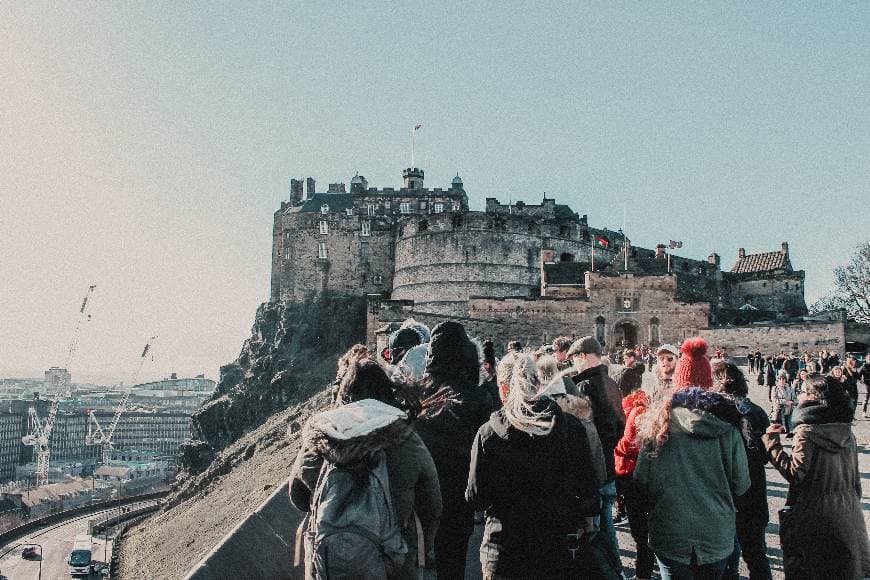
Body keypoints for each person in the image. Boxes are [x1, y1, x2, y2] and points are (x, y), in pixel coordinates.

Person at [290, 359, 442, 579]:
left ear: (344, 394)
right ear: (388, 393)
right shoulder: (406, 438)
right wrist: (416, 551)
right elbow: (432, 506)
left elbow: (298, 498)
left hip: (329, 564)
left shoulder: (320, 437)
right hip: (391, 564)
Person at [466, 355, 601, 579]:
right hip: (557, 549)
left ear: (502, 389)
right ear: (539, 384)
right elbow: (590, 495)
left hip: (504, 549)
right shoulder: (571, 428)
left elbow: (476, 497)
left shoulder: (488, 434)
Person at [635, 337, 750, 580]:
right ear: (708, 383)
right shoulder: (729, 429)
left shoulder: (657, 426)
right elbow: (741, 485)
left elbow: (641, 480)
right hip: (715, 532)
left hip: (670, 531)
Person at [763, 375, 870, 578]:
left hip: (814, 516)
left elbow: (795, 474)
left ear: (814, 397)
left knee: (813, 570)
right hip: (848, 514)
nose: (799, 396)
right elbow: (856, 482)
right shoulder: (846, 431)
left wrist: (772, 443)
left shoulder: (806, 432)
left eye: (803, 391)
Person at [415, 321, 496, 580]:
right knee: (453, 564)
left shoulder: (416, 394)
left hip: (420, 493)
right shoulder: (479, 397)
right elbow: (487, 450)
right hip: (460, 495)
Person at [569, 336, 624, 579]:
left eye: (575, 359)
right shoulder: (612, 382)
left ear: (582, 356)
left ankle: (612, 572)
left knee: (599, 528)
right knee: (605, 524)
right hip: (610, 462)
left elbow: (583, 431)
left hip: (594, 467)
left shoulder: (585, 386)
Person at [712, 361, 773, 580]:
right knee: (757, 556)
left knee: (726, 560)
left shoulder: (713, 414)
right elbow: (765, 456)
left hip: (723, 494)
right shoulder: (756, 412)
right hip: (754, 494)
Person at [614, 364, 654, 580]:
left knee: (640, 530)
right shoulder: (635, 405)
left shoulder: (636, 408)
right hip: (633, 473)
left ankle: (643, 574)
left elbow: (631, 445)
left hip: (633, 474)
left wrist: (613, 443)